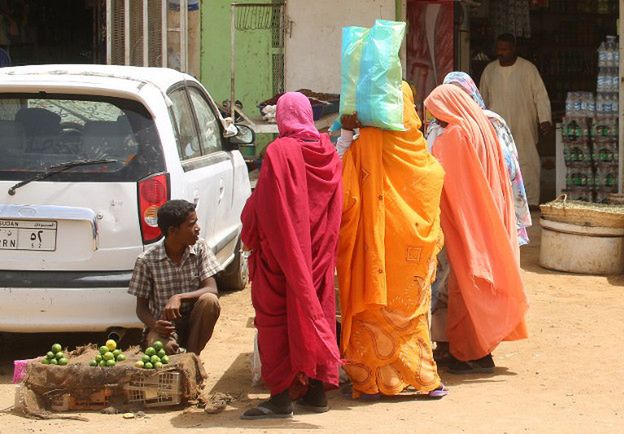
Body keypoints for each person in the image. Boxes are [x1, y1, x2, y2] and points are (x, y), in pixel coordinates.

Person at [337, 82, 447, 399]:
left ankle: (370, 379)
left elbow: (340, 189)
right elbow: (432, 183)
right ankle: (425, 378)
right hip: (410, 252)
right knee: (410, 314)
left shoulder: (365, 144)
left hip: (374, 248)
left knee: (373, 310)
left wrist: (347, 136)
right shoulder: (417, 147)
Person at [240, 92, 342, 419]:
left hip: (282, 258)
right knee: (315, 315)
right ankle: (314, 392)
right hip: (319, 256)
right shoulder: (327, 152)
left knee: (276, 323)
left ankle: (281, 398)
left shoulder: (280, 151)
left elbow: (266, 207)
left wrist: (249, 224)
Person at [427, 72, 532, 361]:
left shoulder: (455, 134)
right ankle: (479, 349)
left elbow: (439, 179)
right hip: (492, 213)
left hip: (465, 219)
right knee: (482, 279)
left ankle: (465, 351)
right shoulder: (484, 126)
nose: (435, 118)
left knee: (463, 283)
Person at [128, 199, 222, 355]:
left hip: (194, 323)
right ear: (173, 231)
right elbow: (141, 308)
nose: (197, 228)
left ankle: (192, 358)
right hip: (165, 327)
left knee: (209, 301)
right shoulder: (146, 261)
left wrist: (179, 297)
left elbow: (211, 289)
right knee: (162, 348)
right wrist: (155, 324)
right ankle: (181, 356)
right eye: (191, 225)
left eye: (196, 222)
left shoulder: (199, 248)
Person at [479, 33, 552, 206]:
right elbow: (481, 98)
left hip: (523, 124)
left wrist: (544, 119)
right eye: (498, 49)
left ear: (514, 49)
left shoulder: (528, 69)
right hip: (497, 128)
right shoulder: (490, 70)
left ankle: (532, 202)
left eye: (504, 49)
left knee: (527, 162)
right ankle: (502, 203)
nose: (501, 53)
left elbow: (540, 96)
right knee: (499, 163)